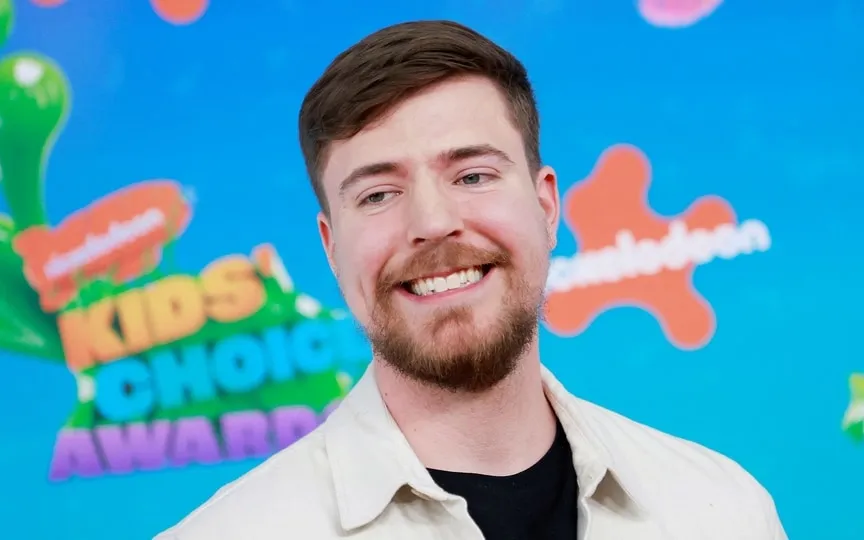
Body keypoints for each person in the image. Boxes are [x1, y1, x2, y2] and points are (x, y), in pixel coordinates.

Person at [155, 20, 787, 540]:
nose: (432, 222)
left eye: (473, 176)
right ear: (330, 245)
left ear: (546, 206)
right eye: (378, 194)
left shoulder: (721, 510)